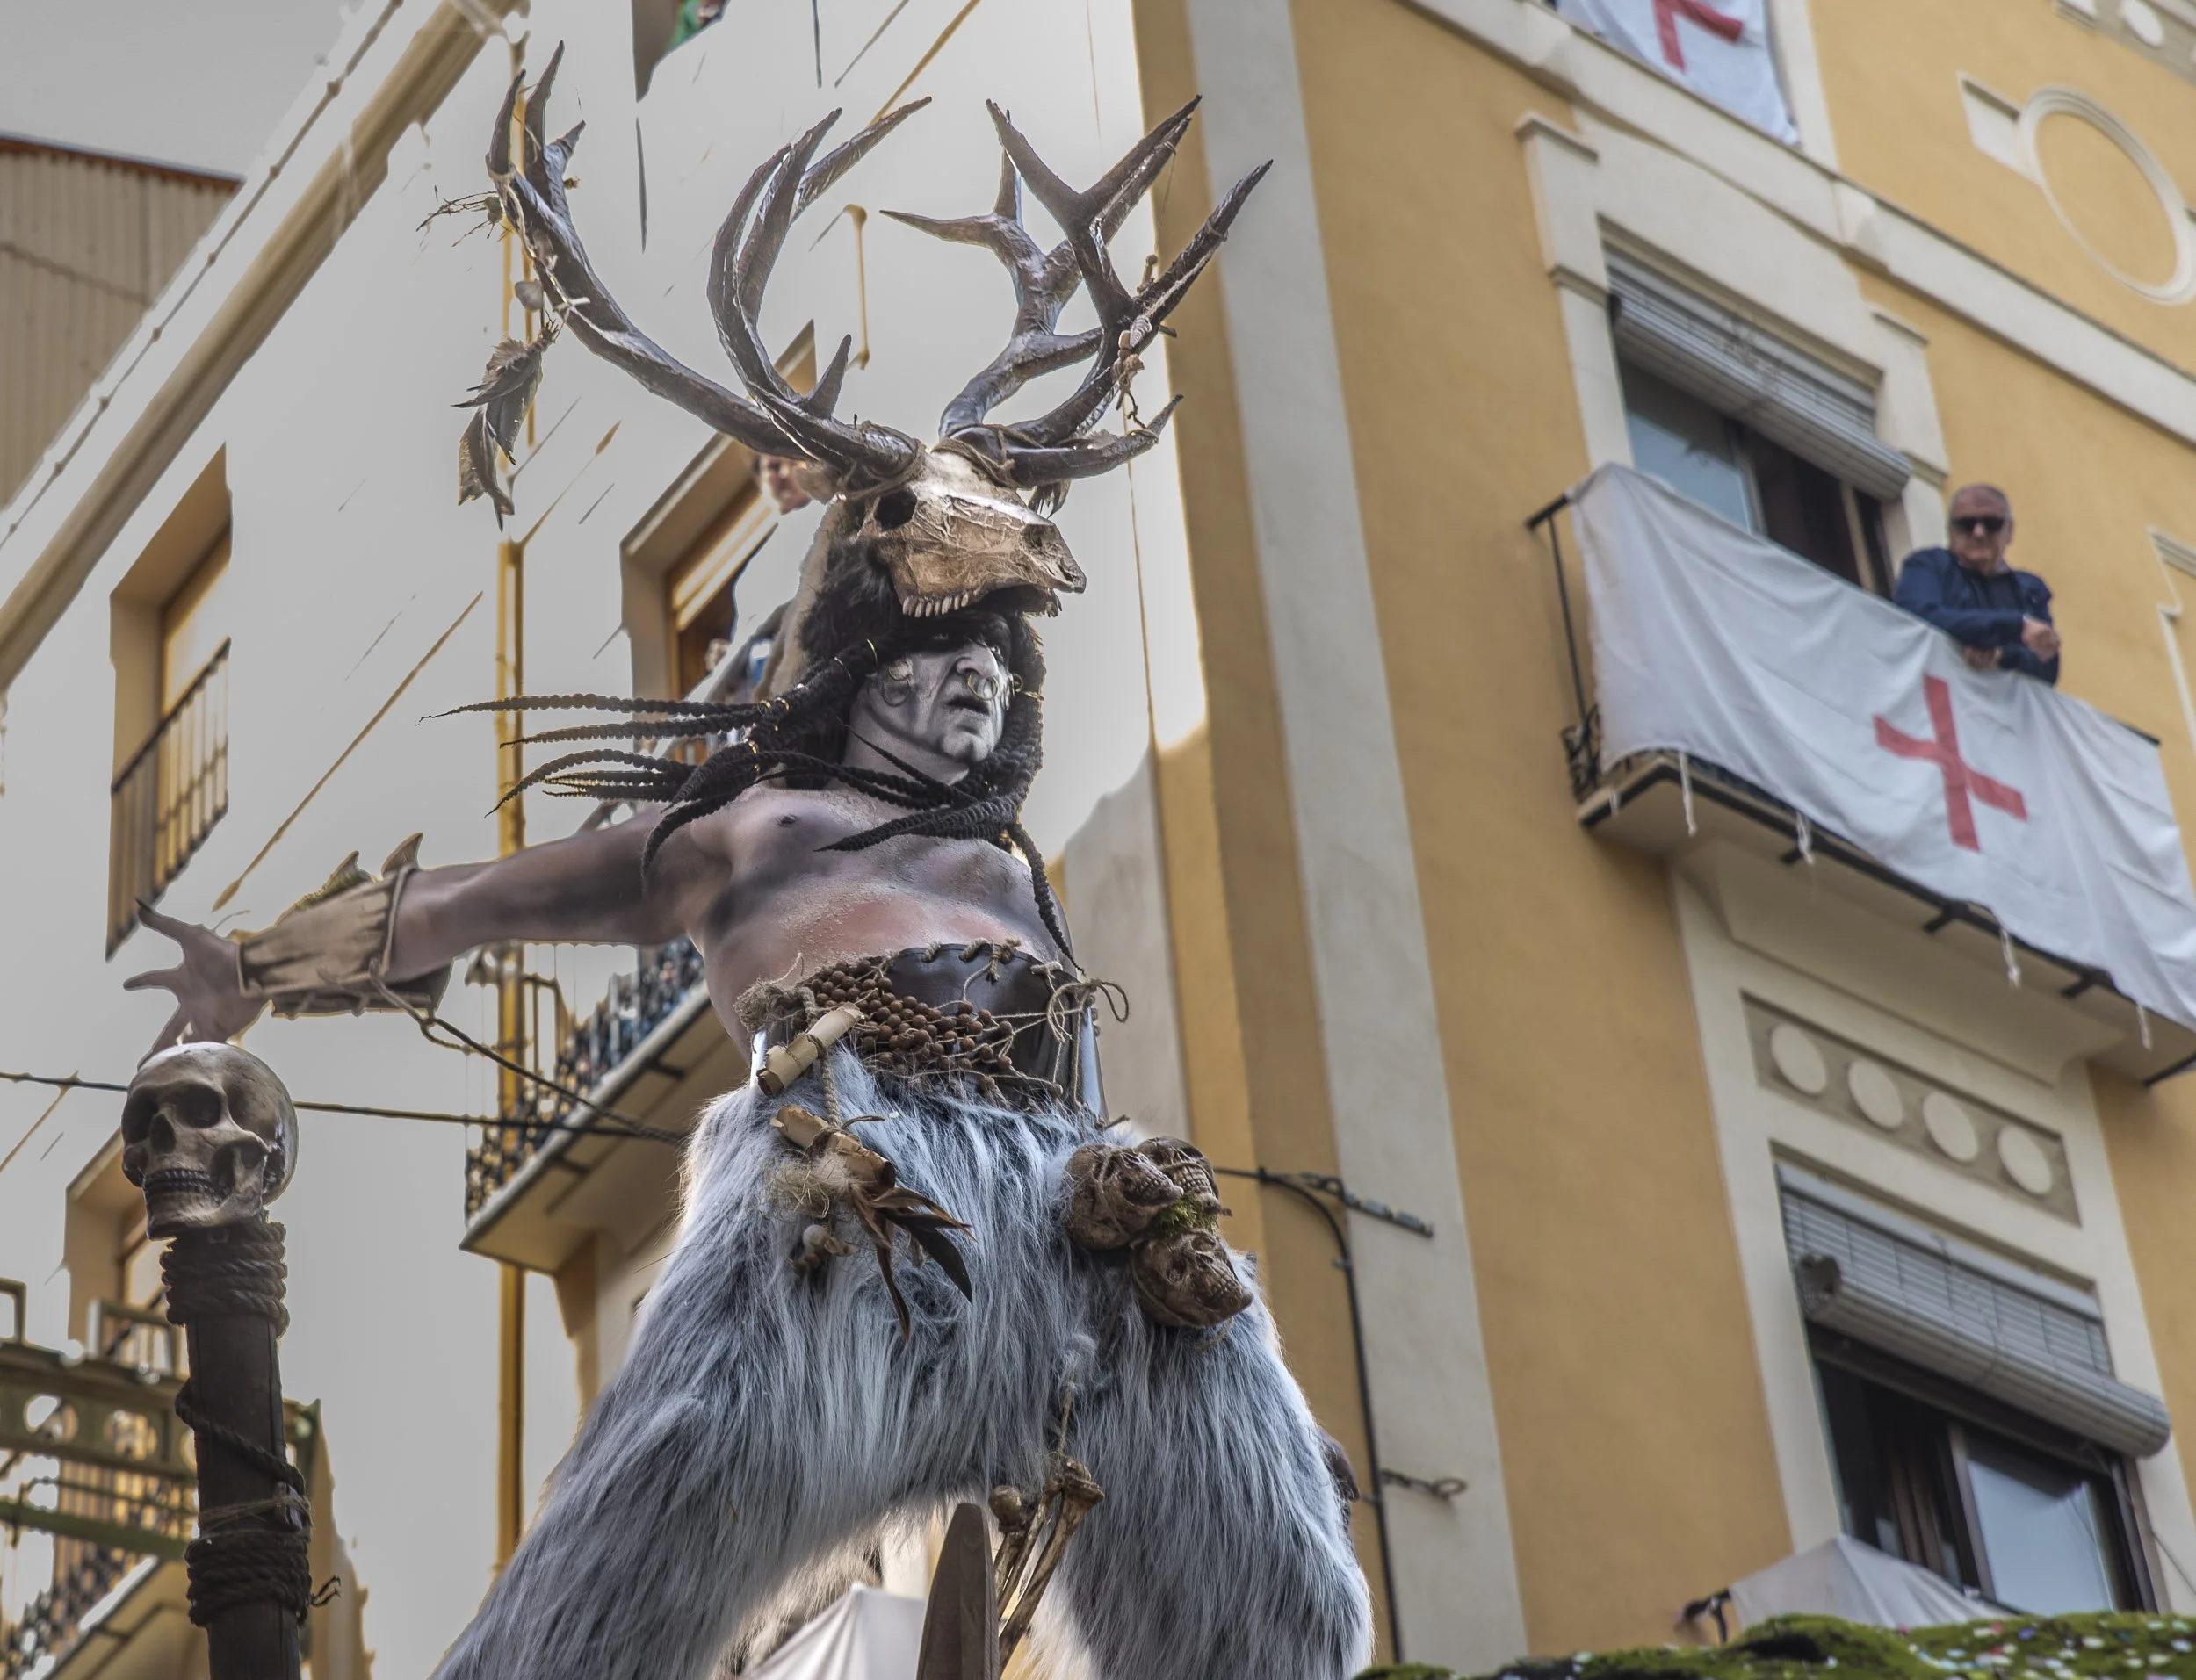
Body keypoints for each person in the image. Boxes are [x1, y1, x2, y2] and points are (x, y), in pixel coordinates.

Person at [126, 77, 1368, 1680]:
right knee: (619, 1576)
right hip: (847, 1200)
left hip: (1087, 1213)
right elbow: (469, 904)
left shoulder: (1011, 863)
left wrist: (1263, 1396)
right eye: (938, 662)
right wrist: (251, 968)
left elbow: (1094, 1086)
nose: (975, 689)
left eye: (994, 668)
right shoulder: (756, 831)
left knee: (1292, 1605)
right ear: (856, 670)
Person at [1894, 484, 2062, 684]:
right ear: (1950, 531)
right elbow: (1916, 615)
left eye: (1991, 523)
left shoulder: (2029, 588)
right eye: (1966, 524)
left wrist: (2000, 655)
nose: (1979, 532)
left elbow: (2047, 665)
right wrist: (2015, 627)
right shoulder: (1927, 565)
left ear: (2010, 531)